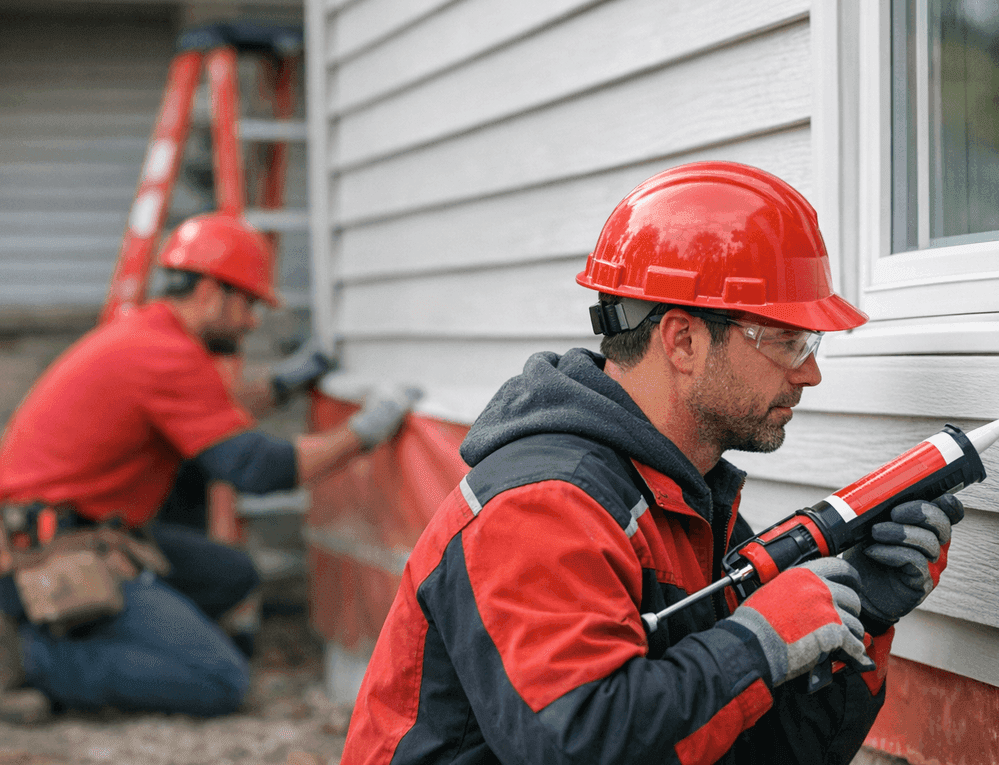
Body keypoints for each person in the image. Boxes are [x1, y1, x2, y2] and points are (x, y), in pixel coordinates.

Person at [340, 162, 963, 765]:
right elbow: (580, 746)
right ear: (683, 340)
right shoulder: (544, 507)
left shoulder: (684, 504)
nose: (811, 373)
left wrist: (864, 608)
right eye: (787, 342)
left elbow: (754, 750)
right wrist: (755, 644)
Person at [0, 212, 419, 724]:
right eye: (248, 304)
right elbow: (254, 467)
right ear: (210, 291)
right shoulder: (165, 356)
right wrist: (364, 434)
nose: (252, 322)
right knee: (219, 681)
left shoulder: (152, 337)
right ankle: (24, 654)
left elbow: (214, 404)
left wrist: (289, 381)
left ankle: (93, 632)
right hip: (40, 562)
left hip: (63, 538)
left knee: (232, 574)